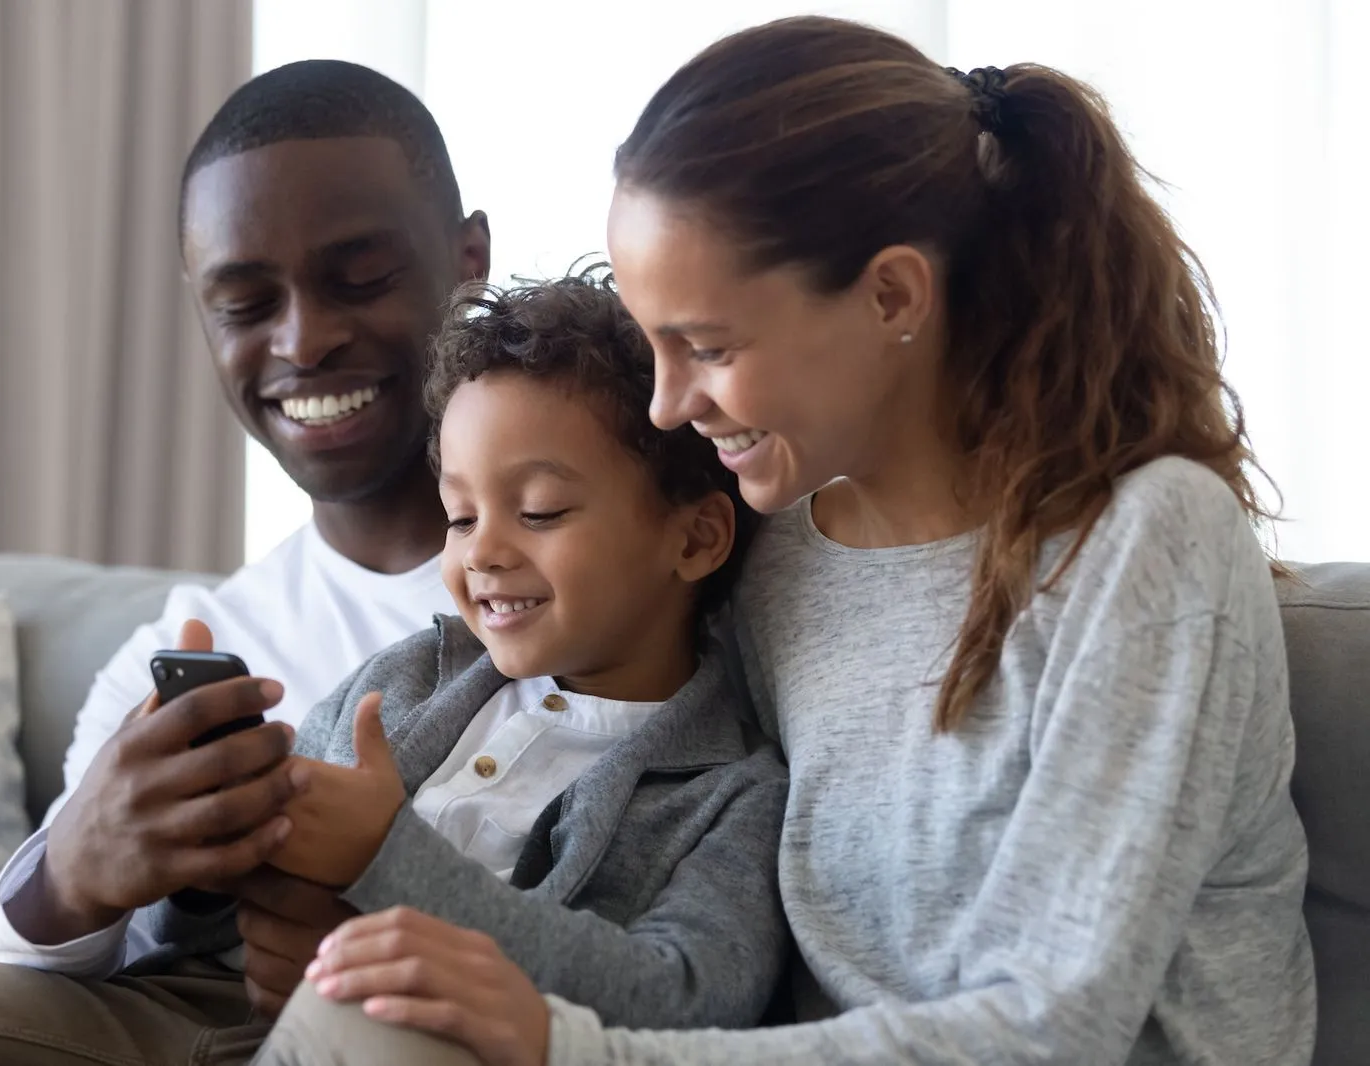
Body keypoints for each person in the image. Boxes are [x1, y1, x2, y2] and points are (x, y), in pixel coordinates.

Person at [275, 16, 1317, 1066]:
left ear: (891, 295)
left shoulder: (1146, 540)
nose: (670, 405)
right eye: (655, 347)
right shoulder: (777, 556)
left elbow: (1052, 1025)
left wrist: (570, 1047)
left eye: (709, 346)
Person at [0, 58, 492, 1065]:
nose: (304, 339)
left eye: (358, 279)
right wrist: (76, 869)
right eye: (243, 305)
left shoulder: (606, 578)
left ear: (469, 260)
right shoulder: (196, 642)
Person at [145, 270, 787, 1055]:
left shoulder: (731, 792)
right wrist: (210, 848)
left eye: (540, 511)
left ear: (694, 540)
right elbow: (193, 930)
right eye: (459, 514)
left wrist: (386, 858)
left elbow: (689, 997)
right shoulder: (407, 681)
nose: (481, 550)